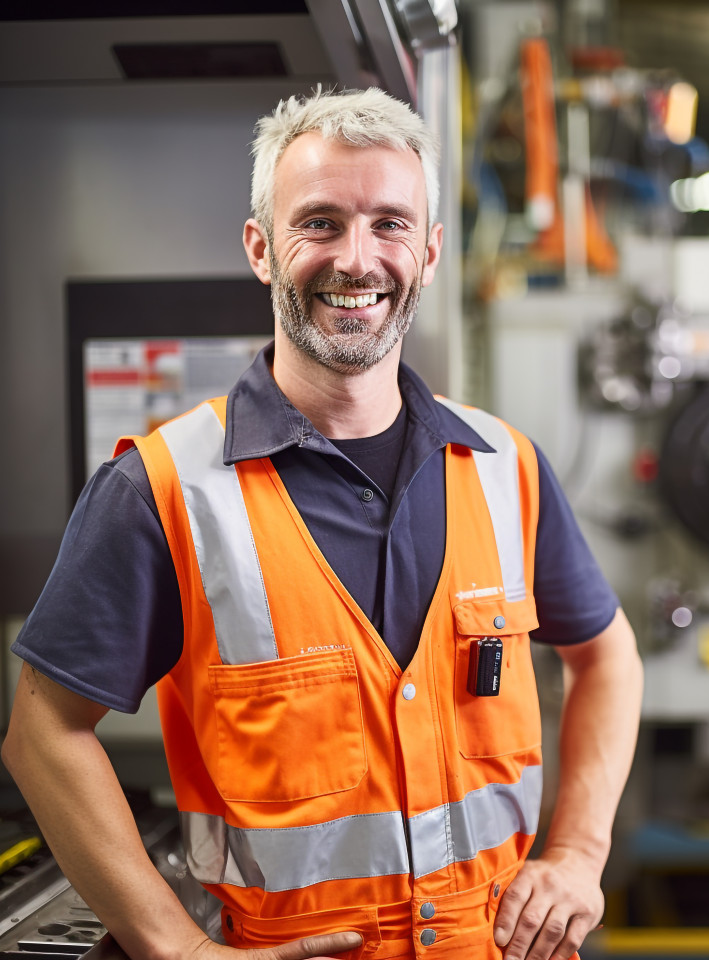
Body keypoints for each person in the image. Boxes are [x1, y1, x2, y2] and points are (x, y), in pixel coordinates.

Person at [2, 87, 642, 960]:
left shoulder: (506, 466)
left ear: (430, 251)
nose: (358, 258)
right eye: (321, 223)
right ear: (262, 249)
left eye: (390, 223)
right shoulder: (160, 489)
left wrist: (577, 852)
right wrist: (172, 947)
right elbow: (43, 731)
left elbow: (608, 653)